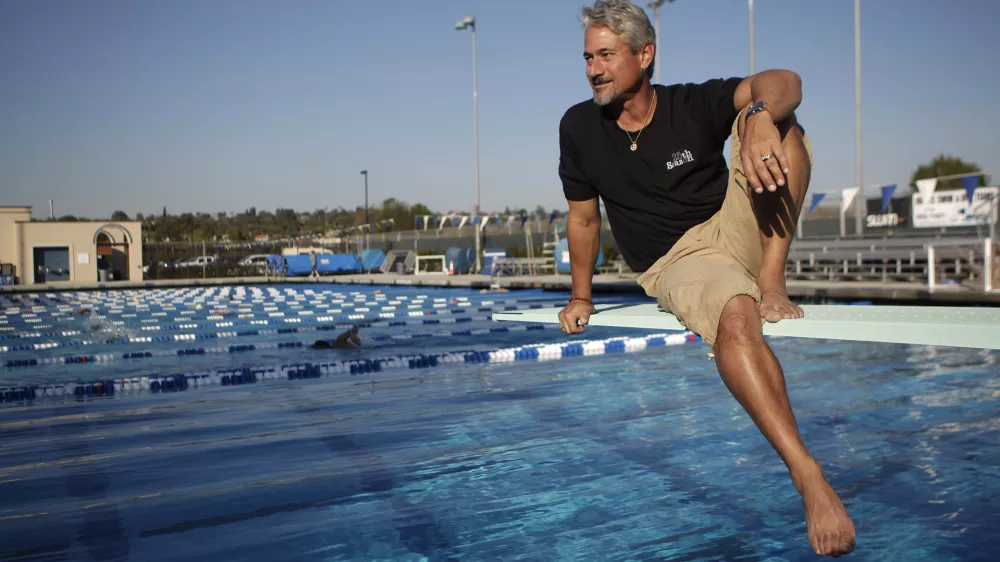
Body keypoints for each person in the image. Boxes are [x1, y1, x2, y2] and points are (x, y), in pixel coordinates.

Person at [555, 1, 854, 557]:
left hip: (732, 228)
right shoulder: (579, 126)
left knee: (778, 119)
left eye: (606, 55)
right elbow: (583, 217)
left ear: (645, 56)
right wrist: (580, 294)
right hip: (676, 259)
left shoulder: (690, 102)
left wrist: (761, 114)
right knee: (736, 318)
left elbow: (786, 81)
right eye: (588, 57)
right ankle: (807, 473)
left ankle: (772, 277)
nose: (594, 68)